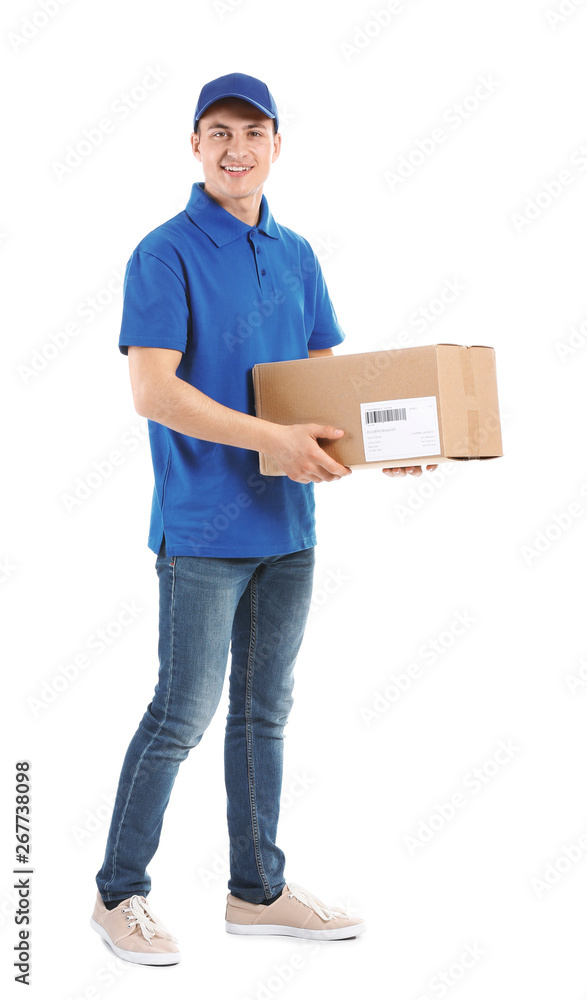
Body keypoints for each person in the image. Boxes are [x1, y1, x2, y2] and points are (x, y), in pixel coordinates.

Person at [90, 72, 435, 967]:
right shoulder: (162, 253)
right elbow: (152, 391)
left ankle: (256, 891)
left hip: (289, 527)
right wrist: (270, 441)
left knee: (263, 715)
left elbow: (326, 381)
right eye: (217, 132)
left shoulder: (296, 252)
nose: (235, 147)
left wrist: (392, 438)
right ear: (194, 146)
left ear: (277, 145)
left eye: (253, 131)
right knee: (182, 712)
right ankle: (118, 894)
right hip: (204, 527)